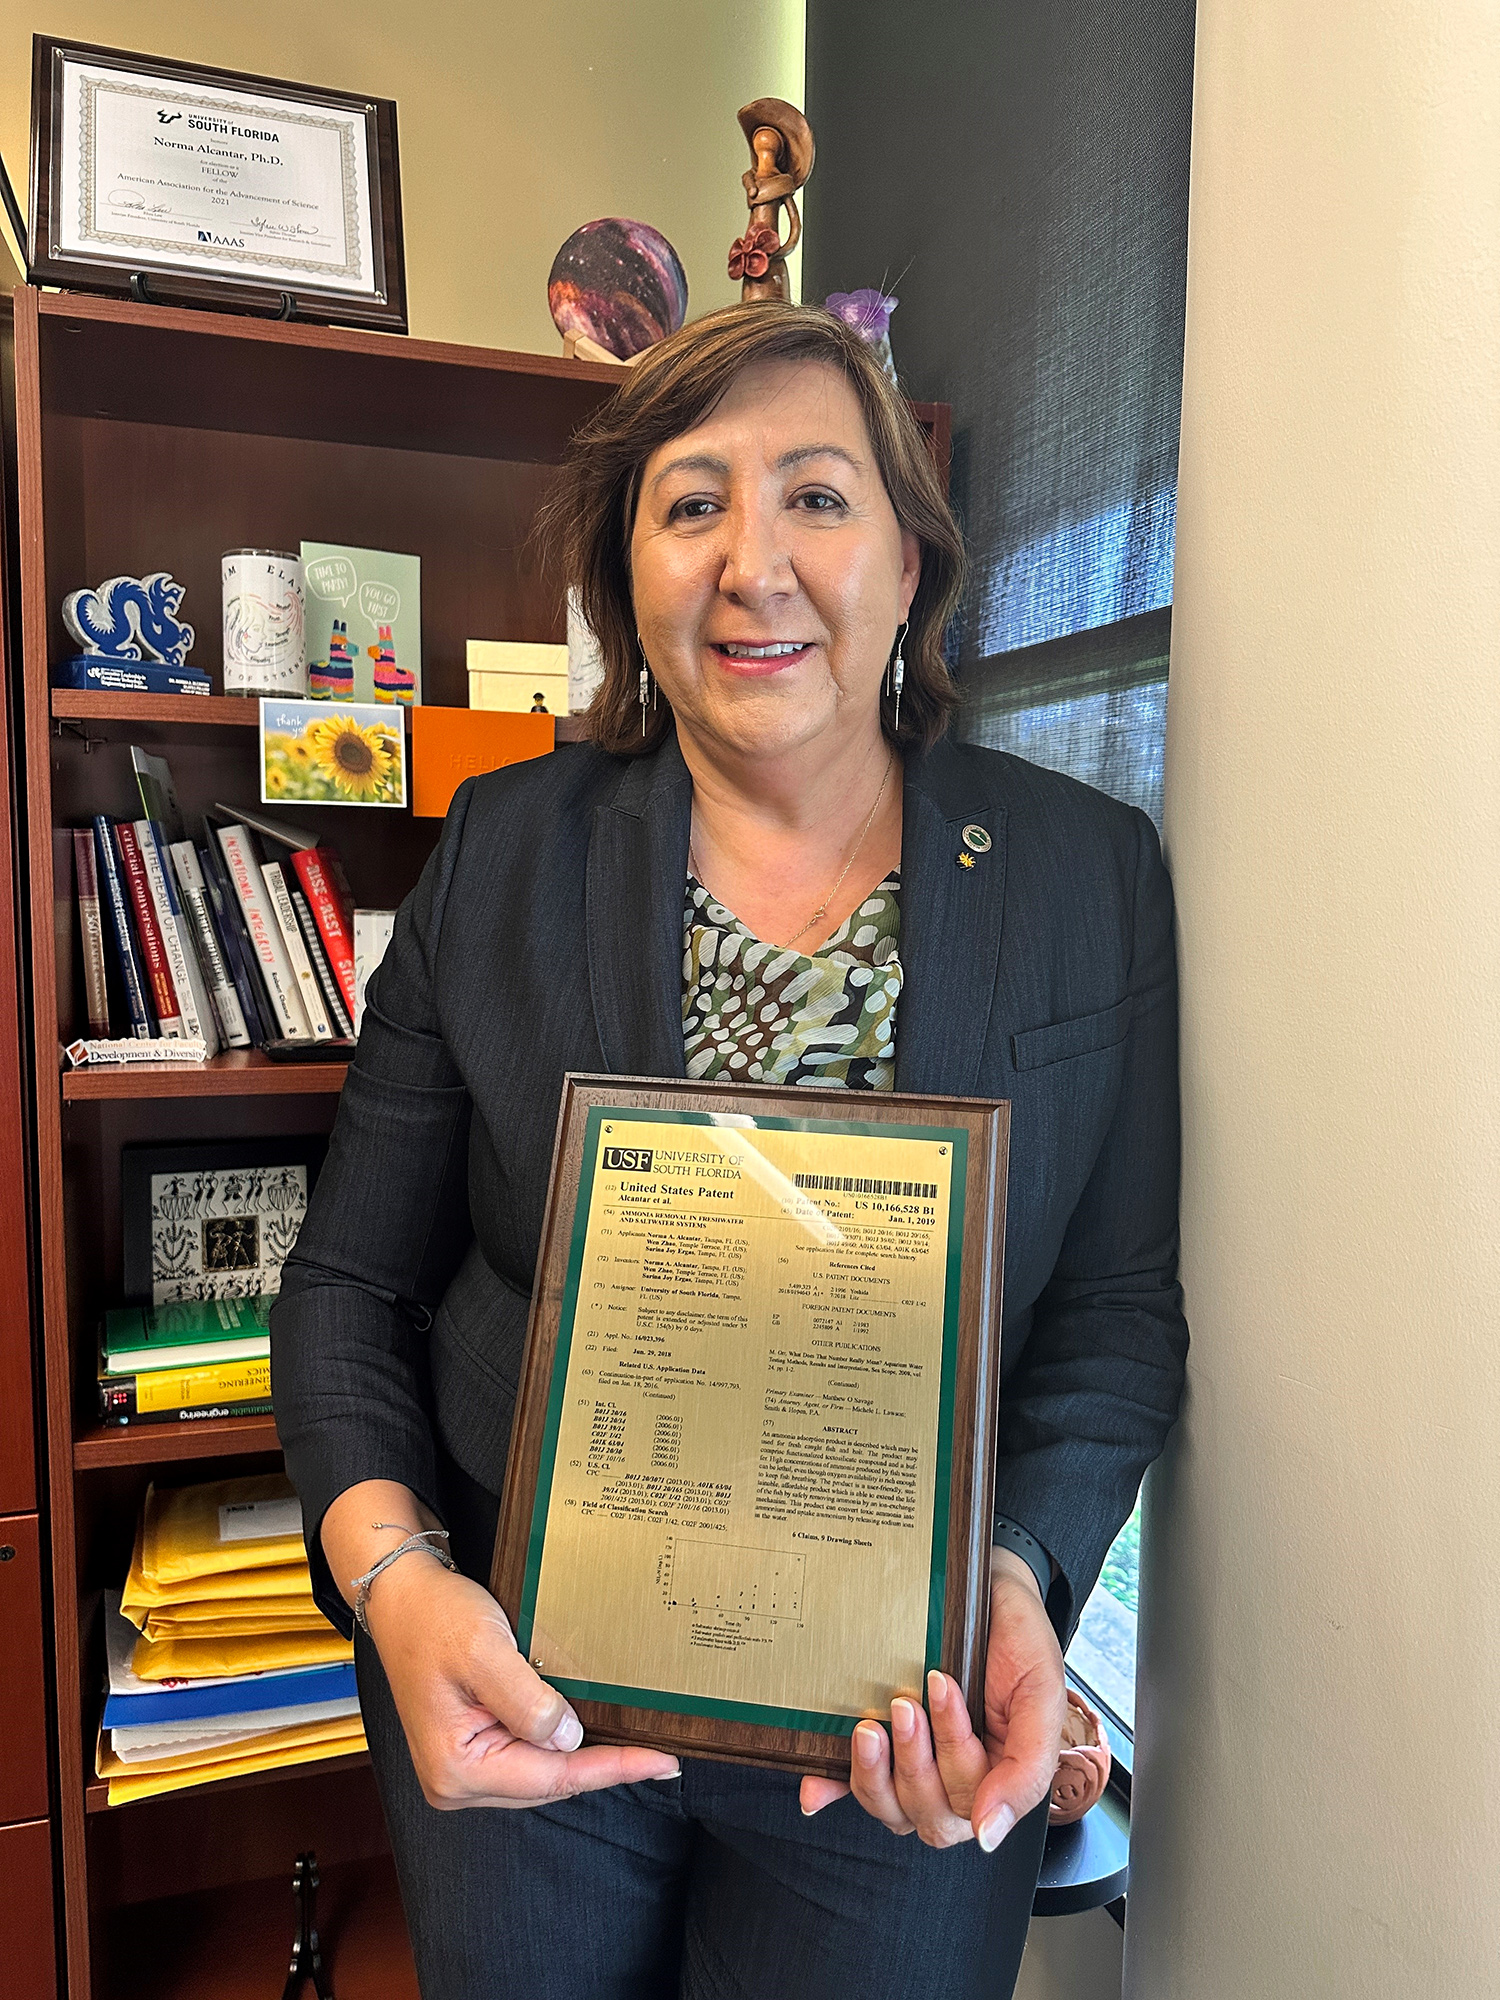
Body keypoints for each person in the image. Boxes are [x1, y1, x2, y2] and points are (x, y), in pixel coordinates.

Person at [273, 300, 1187, 2000]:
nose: (753, 563)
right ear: (628, 579)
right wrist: (396, 1585)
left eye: (819, 499)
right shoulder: (504, 850)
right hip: (520, 1677)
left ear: (912, 565)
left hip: (895, 1727)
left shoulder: (1090, 879)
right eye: (691, 504)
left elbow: (1119, 1314)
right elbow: (340, 1287)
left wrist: (1020, 1574)